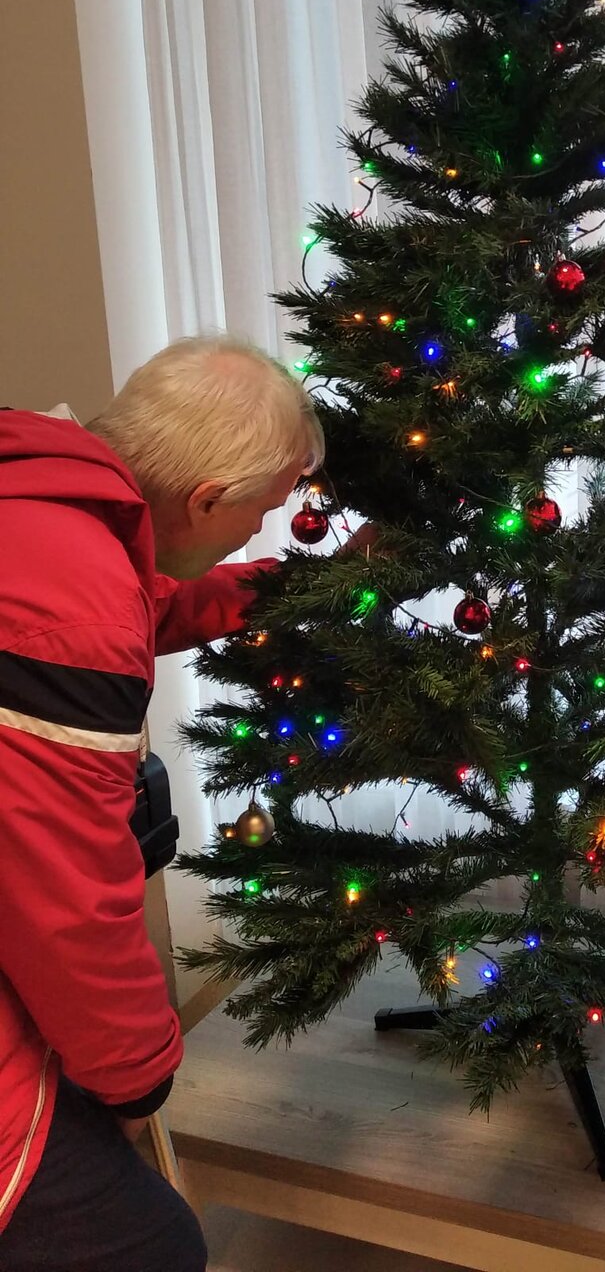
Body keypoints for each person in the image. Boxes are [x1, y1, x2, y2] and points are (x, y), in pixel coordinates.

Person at [0, 336, 322, 1272]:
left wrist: (309, 585)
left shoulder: (46, 498)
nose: (260, 531)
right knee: (149, 1248)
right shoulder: (69, 612)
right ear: (207, 500)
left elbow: (145, 601)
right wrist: (137, 1079)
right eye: (262, 511)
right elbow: (67, 904)